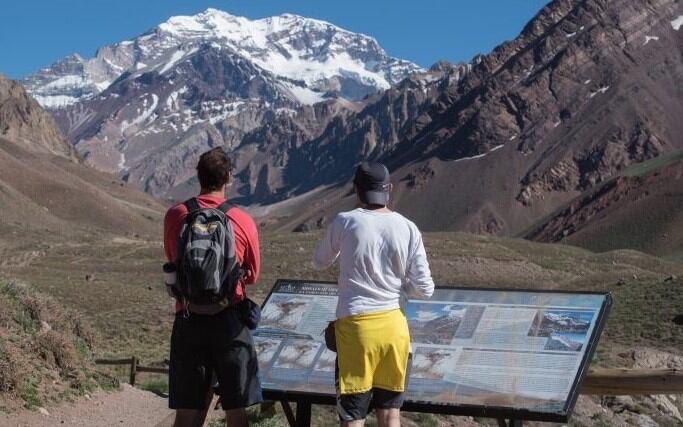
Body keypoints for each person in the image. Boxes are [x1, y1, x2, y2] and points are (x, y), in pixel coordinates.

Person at [313, 161, 435, 427]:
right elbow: (426, 288)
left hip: (356, 330)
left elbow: (320, 261)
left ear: (357, 190)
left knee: (353, 416)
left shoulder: (345, 221)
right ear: (389, 189)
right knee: (391, 414)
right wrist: (401, 290)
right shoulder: (408, 227)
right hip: (394, 328)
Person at [163, 147, 262, 427]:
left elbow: (173, 259)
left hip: (188, 318)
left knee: (187, 413)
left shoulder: (175, 215)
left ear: (198, 176)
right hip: (230, 321)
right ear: (228, 178)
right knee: (236, 411)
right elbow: (253, 274)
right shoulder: (242, 220)